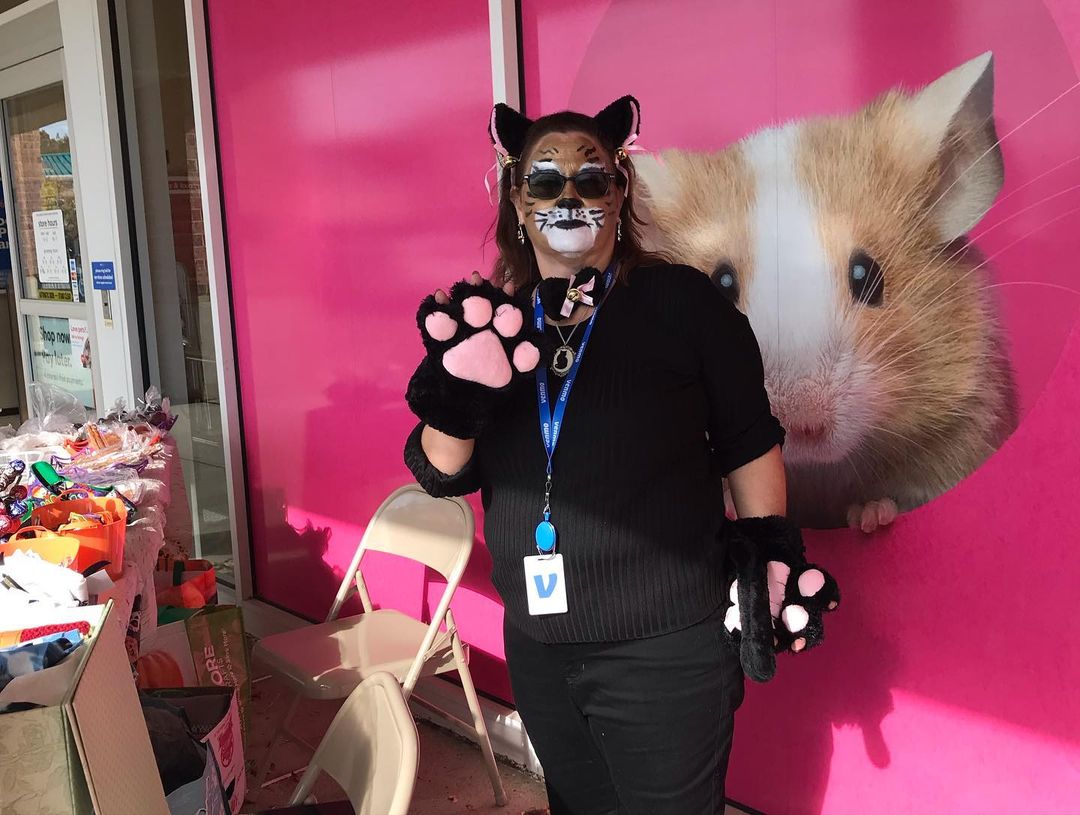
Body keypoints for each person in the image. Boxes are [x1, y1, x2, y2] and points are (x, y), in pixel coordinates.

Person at [403, 96, 838, 814]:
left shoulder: (684, 303)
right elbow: (440, 470)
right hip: (540, 647)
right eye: (544, 182)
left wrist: (769, 553)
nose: (567, 197)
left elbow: (749, 442)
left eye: (591, 179)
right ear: (517, 199)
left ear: (620, 190)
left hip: (664, 652)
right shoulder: (500, 323)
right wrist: (458, 388)